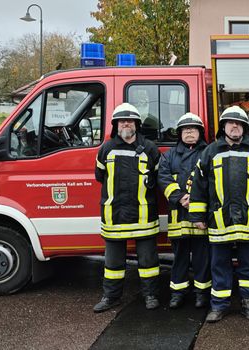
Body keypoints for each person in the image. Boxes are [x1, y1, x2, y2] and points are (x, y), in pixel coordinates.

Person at [190, 106, 249, 323]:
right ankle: (219, 305)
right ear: (224, 127)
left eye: (239, 123)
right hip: (220, 221)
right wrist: (198, 216)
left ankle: (248, 302)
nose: (235, 126)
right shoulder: (210, 151)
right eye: (231, 123)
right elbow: (199, 186)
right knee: (219, 264)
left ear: (245, 128)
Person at [92, 103, 163, 313]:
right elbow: (99, 176)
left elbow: (159, 178)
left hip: (144, 216)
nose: (126, 124)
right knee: (113, 265)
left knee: (149, 262)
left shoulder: (150, 148)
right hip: (114, 215)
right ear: (115, 125)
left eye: (130, 120)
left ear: (137, 124)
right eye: (122, 121)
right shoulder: (106, 148)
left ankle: (150, 295)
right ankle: (111, 297)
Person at [158, 113, 210, 309]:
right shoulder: (169, 155)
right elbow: (163, 179)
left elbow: (213, 181)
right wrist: (180, 197)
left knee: (201, 257)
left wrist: (196, 200)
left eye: (193, 129)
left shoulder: (208, 153)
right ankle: (177, 293)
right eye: (185, 129)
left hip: (201, 215)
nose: (189, 132)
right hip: (178, 215)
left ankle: (201, 293)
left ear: (200, 132)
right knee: (178, 257)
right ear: (179, 133)